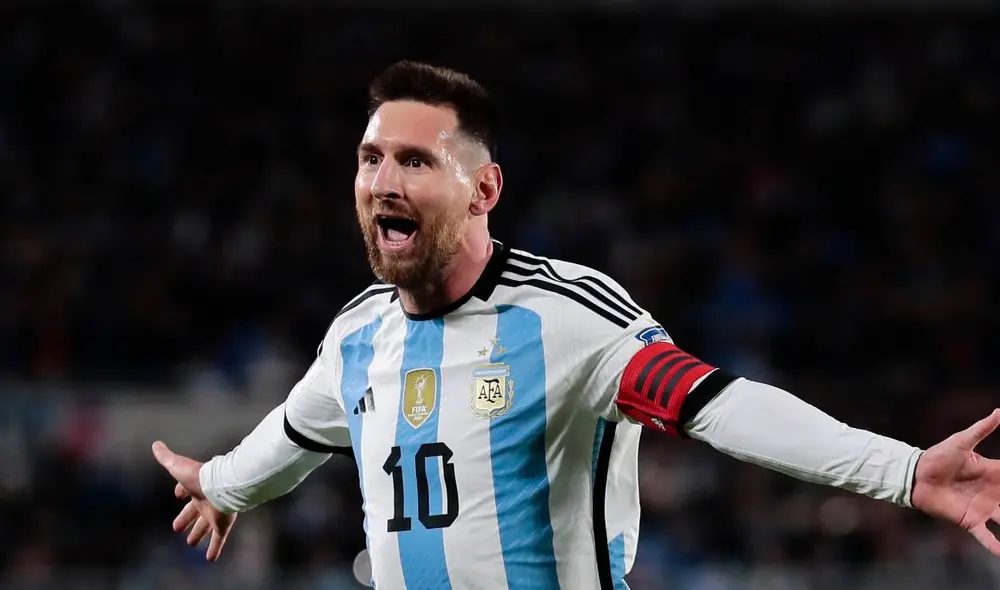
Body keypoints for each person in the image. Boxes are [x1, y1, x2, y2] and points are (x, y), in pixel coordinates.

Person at [152, 61, 1000, 590]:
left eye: (415, 160)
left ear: (484, 191)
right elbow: (292, 434)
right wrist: (221, 484)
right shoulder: (356, 337)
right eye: (371, 158)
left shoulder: (565, 318)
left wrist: (903, 471)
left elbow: (717, 403)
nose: (383, 182)